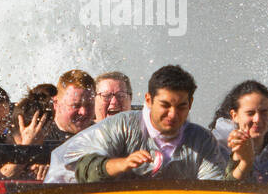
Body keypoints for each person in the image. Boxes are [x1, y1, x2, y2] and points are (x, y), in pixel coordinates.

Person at [46, 64, 253, 182]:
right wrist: (122, 163)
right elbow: (79, 169)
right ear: (148, 100)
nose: (173, 114)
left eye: (181, 106)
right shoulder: (121, 126)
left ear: (190, 103)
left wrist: (243, 163)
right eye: (165, 105)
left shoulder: (201, 140)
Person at [39, 70, 96, 141]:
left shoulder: (101, 136)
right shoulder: (40, 138)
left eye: (89, 105)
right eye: (76, 105)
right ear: (56, 103)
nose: (83, 112)